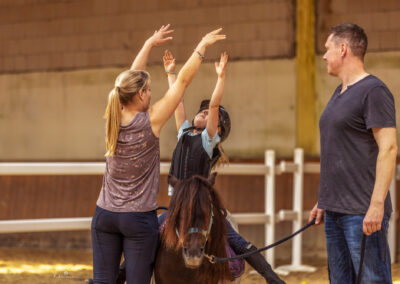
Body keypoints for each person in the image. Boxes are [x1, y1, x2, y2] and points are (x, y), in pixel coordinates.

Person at [91, 24, 226, 284]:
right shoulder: (150, 121)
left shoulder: (113, 116)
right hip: (137, 220)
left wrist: (149, 44)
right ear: (140, 94)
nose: (151, 95)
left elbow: (128, 80)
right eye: (149, 90)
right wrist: (202, 46)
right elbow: (184, 81)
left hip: (104, 215)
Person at [162, 50, 285, 284]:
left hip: (201, 204)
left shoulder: (208, 141)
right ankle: (121, 274)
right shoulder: (184, 132)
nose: (204, 112)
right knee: (151, 235)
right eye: (202, 111)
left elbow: (216, 103)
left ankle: (271, 277)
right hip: (178, 203)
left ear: (217, 130)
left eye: (209, 114)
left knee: (238, 241)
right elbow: (176, 100)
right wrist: (171, 74)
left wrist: (221, 78)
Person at [308, 23, 397, 284]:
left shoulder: (374, 91)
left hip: (362, 211)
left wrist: (377, 205)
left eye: (327, 49)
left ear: (343, 49)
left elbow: (389, 148)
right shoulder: (339, 93)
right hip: (335, 210)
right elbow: (340, 150)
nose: (324, 55)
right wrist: (325, 199)